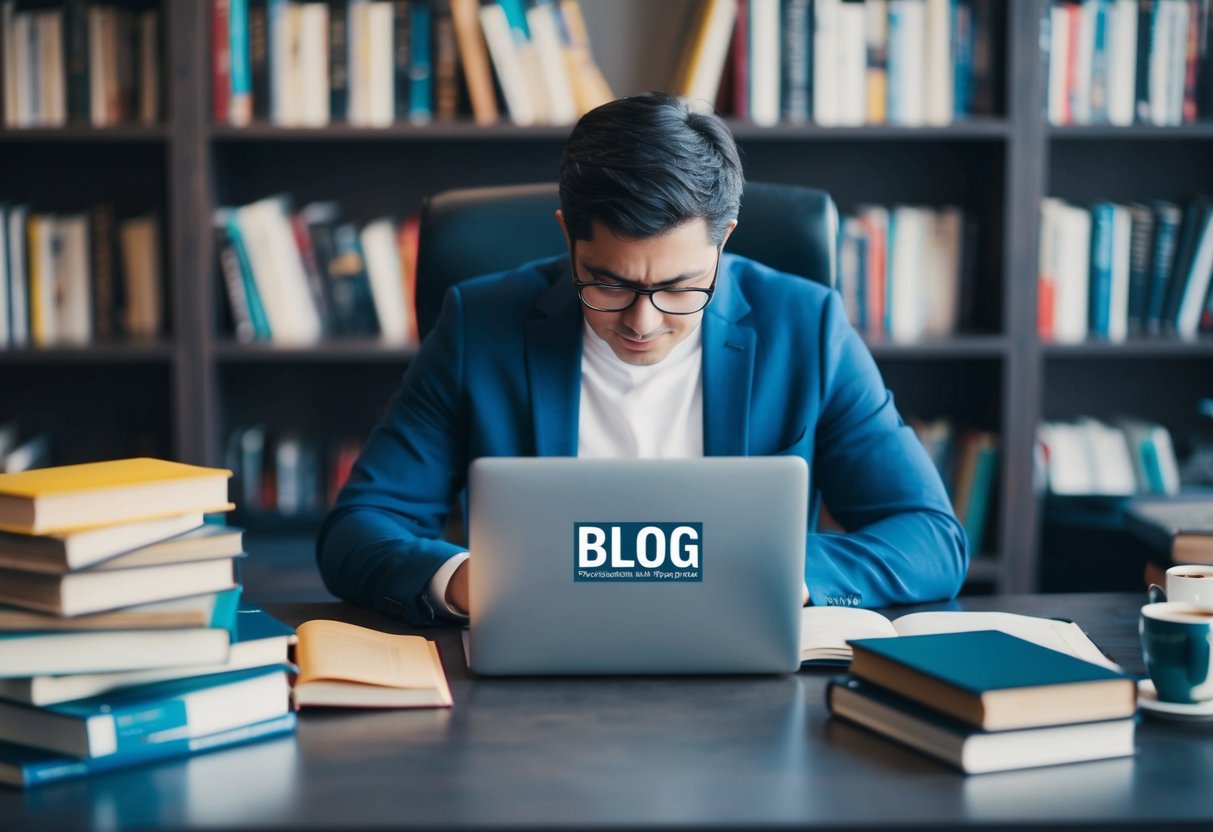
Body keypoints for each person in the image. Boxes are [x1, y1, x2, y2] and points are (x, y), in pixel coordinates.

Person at [317, 92, 968, 626]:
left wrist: (790, 577)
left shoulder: (805, 325)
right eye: (609, 283)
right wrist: (459, 579)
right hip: (537, 686)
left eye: (681, 287)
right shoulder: (479, 325)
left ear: (724, 242)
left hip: (743, 682)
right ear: (567, 235)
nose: (641, 321)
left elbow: (929, 537)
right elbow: (356, 530)